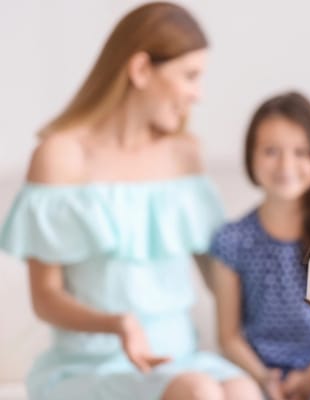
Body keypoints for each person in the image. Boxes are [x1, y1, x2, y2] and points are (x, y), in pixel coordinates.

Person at [0, 3, 262, 400]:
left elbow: (220, 270)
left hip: (179, 357)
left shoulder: (184, 155)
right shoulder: (60, 156)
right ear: (140, 70)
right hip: (92, 363)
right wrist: (118, 323)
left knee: (242, 390)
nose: (199, 94)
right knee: (199, 393)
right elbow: (46, 298)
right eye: (190, 76)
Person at [209, 91, 310, 400]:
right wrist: (265, 378)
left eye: (301, 152)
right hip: (257, 371)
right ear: (250, 157)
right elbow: (228, 337)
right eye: (271, 151)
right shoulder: (231, 240)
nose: (286, 165)